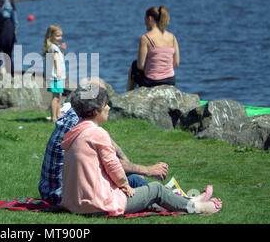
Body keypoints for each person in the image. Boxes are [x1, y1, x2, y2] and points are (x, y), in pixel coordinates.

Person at [60, 83, 223, 216]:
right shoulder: (97, 133)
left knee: (146, 193)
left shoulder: (77, 133)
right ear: (96, 111)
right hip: (98, 205)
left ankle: (189, 202)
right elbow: (113, 165)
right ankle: (198, 208)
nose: (109, 107)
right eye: (105, 105)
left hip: (76, 203)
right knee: (156, 189)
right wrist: (124, 185)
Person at [38, 78, 170, 206]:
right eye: (103, 99)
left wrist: (133, 168)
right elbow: (112, 164)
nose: (107, 104)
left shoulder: (79, 115)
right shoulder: (79, 124)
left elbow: (111, 144)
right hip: (62, 194)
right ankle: (164, 198)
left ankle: (164, 197)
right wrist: (147, 170)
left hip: (53, 189)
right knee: (132, 180)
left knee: (132, 177)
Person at [127, 6, 180, 91]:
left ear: (150, 19)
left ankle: (128, 96)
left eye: (145, 19)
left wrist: (153, 69)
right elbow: (176, 63)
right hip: (170, 80)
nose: (144, 23)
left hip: (152, 81)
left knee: (134, 65)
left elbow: (140, 66)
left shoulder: (145, 38)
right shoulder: (173, 37)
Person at [43, 25, 67, 123]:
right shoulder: (53, 48)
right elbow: (55, 59)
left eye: (61, 35)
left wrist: (62, 50)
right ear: (51, 36)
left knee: (59, 95)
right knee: (56, 97)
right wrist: (58, 71)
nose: (60, 38)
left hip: (54, 76)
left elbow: (58, 57)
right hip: (55, 76)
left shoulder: (54, 47)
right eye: (57, 36)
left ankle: (58, 115)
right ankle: (54, 117)